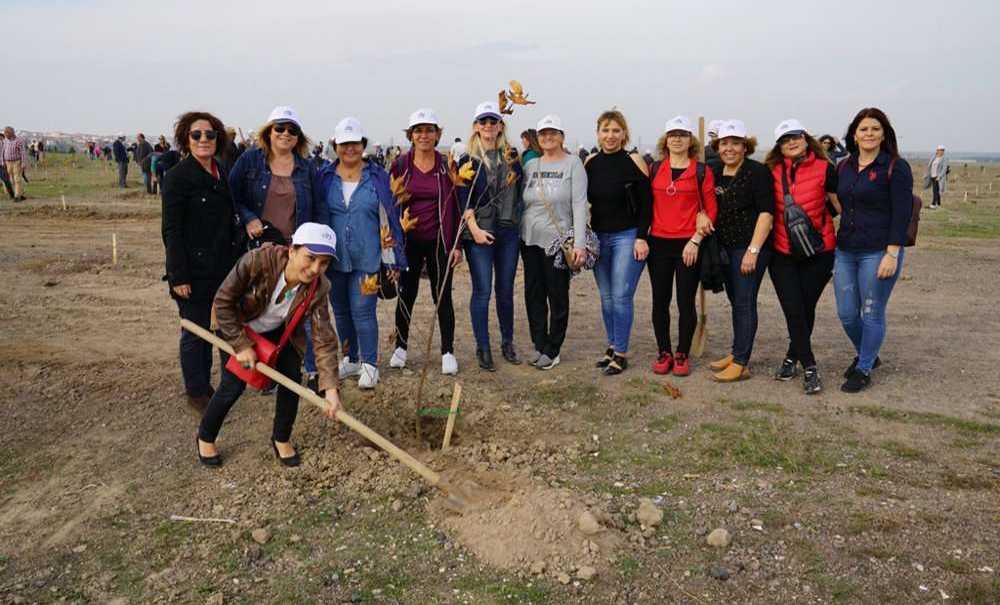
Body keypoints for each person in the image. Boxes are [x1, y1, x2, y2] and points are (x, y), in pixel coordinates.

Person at [196, 223, 343, 467]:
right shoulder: (257, 261)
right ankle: (205, 436)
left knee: (291, 380)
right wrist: (241, 344)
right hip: (235, 325)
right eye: (311, 257)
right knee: (233, 385)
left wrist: (330, 388)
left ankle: (281, 438)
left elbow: (324, 339)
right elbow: (223, 302)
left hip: (279, 333)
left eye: (324, 262)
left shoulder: (319, 287)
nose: (316, 268)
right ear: (292, 250)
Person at [307, 117, 406, 389]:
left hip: (368, 257)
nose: (349, 149)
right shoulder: (325, 178)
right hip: (335, 258)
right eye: (343, 144)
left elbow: (391, 219)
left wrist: (394, 257)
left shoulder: (377, 177)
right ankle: (350, 358)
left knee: (363, 311)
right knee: (340, 311)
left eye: (354, 143)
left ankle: (370, 363)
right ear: (335, 146)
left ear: (363, 145)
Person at [161, 111, 240, 415]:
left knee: (221, 328)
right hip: (192, 271)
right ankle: (197, 391)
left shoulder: (221, 170)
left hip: (223, 268)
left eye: (209, 135)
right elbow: (171, 230)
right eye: (197, 135)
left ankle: (220, 386)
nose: (204, 140)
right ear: (186, 139)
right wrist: (178, 274)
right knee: (196, 333)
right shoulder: (178, 178)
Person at [833, 108, 912, 393]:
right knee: (846, 314)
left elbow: (902, 214)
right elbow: (835, 200)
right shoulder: (843, 166)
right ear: (854, 134)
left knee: (872, 311)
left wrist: (892, 254)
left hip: (878, 251)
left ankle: (863, 367)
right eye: (863, 129)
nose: (869, 134)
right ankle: (869, 352)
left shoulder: (894, 166)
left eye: (875, 129)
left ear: (884, 134)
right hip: (845, 250)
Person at [766, 119, 841, 394]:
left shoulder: (826, 169)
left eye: (795, 136)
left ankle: (791, 357)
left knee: (804, 308)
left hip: (819, 252)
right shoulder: (770, 171)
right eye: (785, 140)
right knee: (794, 309)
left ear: (806, 138)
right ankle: (809, 366)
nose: (791, 142)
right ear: (779, 147)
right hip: (782, 253)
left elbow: (840, 204)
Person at [388, 109, 463, 375]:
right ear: (411, 135)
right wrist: (391, 243)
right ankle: (400, 347)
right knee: (406, 294)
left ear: (437, 134)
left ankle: (447, 351)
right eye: (418, 130)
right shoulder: (400, 165)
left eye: (429, 130)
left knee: (441, 296)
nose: (424, 135)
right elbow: (390, 204)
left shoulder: (446, 166)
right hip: (408, 242)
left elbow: (455, 205)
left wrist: (457, 245)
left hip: (439, 241)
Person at [646, 116, 717, 377]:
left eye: (683, 134)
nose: (677, 138)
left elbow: (710, 211)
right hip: (659, 244)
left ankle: (682, 353)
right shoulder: (654, 169)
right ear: (666, 140)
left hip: (689, 245)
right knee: (659, 301)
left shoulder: (701, 171)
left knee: (685, 301)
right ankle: (664, 351)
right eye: (672, 134)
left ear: (691, 140)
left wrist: (696, 240)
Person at [457, 102, 525, 370]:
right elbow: (464, 200)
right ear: (476, 127)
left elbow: (520, 192)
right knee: (482, 290)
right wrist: (474, 231)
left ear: (500, 126)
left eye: (492, 122)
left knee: (505, 290)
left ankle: (507, 342)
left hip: (508, 230)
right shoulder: (468, 160)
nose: (488, 126)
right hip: (480, 232)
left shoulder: (511, 156)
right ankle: (482, 346)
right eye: (483, 122)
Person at [584, 109, 652, 375]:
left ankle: (621, 353)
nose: (610, 136)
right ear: (598, 133)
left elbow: (647, 204)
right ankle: (612, 345)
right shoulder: (590, 162)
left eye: (615, 130)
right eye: (605, 130)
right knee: (606, 296)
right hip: (599, 236)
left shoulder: (634, 160)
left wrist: (642, 237)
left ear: (624, 133)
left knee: (622, 296)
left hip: (627, 235)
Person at [706, 120, 774, 382]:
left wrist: (753, 251)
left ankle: (742, 362)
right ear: (718, 146)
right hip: (724, 248)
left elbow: (766, 214)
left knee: (745, 302)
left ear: (745, 146)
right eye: (724, 143)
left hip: (749, 248)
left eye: (735, 143)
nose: (729, 148)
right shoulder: (714, 171)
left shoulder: (757, 172)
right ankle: (736, 353)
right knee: (736, 302)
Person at [520, 115, 590, 370]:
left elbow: (579, 205)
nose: (548, 137)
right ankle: (539, 344)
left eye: (553, 133)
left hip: (558, 241)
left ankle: (553, 348)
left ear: (562, 136)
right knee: (533, 293)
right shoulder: (531, 165)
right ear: (537, 139)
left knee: (557, 294)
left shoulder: (573, 164)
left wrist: (579, 243)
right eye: (543, 134)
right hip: (529, 239)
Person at [229, 106, 321, 244]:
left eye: (292, 130)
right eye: (279, 128)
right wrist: (248, 218)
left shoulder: (308, 168)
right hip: (256, 248)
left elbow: (319, 208)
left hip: (294, 249)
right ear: (268, 132)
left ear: (298, 137)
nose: (286, 133)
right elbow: (230, 194)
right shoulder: (249, 159)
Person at [2, 126, 28, 201]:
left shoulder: (19, 140)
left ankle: (17, 195)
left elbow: (22, 152)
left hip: (17, 162)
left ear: (11, 133)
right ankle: (11, 194)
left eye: (6, 133)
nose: (5, 135)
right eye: (5, 133)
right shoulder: (5, 141)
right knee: (8, 179)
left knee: (17, 179)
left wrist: (23, 163)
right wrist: (2, 161)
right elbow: (3, 151)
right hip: (7, 162)